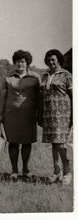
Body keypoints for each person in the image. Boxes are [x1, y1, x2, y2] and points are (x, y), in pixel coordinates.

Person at [0, 49, 40, 180]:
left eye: (23, 61)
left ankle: (26, 170)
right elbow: (3, 97)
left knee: (27, 143)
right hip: (11, 116)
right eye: (17, 61)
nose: (20, 64)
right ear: (14, 63)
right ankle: (14, 171)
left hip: (29, 116)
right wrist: (0, 115)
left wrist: (39, 113)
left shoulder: (35, 77)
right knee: (13, 142)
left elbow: (39, 98)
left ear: (27, 63)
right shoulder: (8, 77)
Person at [39, 49, 73, 185]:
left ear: (59, 60)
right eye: (48, 60)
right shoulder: (45, 75)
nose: (50, 62)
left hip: (62, 115)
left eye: (53, 59)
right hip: (49, 114)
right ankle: (56, 172)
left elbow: (73, 96)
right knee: (54, 144)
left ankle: (67, 173)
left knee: (61, 145)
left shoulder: (66, 75)